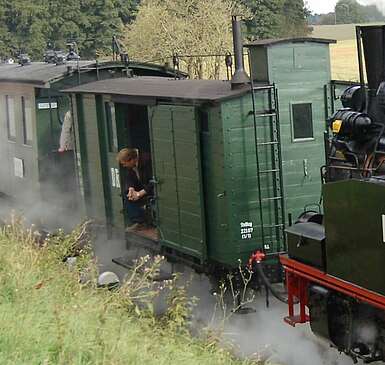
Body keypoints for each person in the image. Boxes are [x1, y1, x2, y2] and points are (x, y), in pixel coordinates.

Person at [116, 148, 151, 231]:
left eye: (125, 164)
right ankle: (139, 222)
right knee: (127, 193)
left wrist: (139, 194)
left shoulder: (147, 161)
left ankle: (144, 221)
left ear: (131, 160)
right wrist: (131, 189)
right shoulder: (132, 164)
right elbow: (129, 177)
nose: (124, 166)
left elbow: (153, 182)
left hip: (151, 187)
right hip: (143, 185)